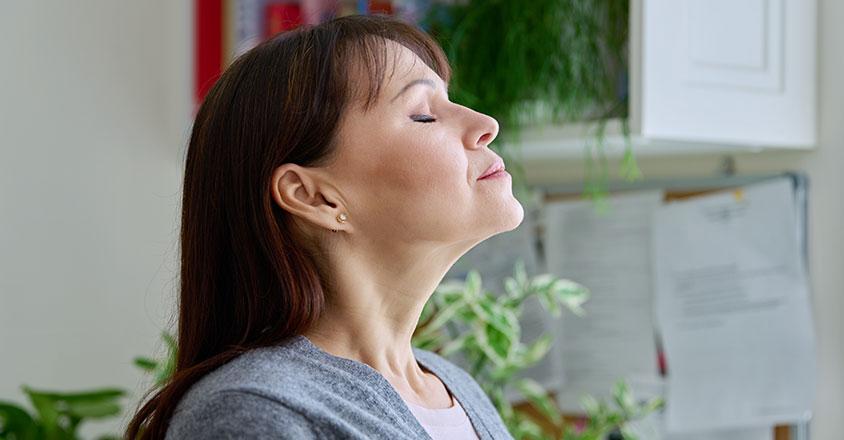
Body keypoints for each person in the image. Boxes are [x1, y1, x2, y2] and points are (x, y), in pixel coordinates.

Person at [125, 13, 523, 440]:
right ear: (314, 196)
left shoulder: (456, 389)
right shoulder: (252, 411)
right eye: (424, 115)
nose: (486, 125)